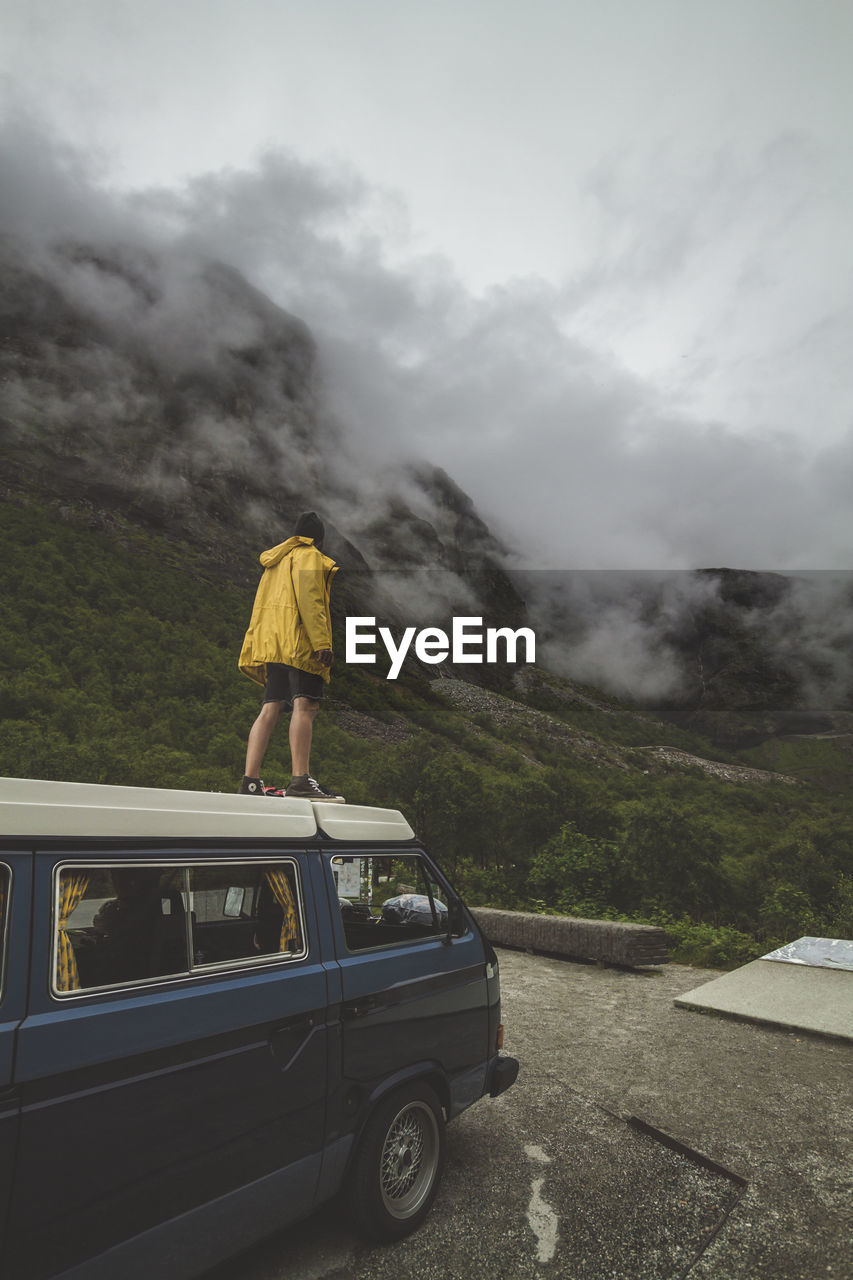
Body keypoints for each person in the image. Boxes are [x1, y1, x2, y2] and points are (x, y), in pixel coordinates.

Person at [237, 511, 345, 801]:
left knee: (271, 708)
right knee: (305, 706)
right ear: (318, 539)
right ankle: (300, 780)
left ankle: (250, 781)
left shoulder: (276, 561)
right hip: (299, 643)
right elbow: (310, 601)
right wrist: (322, 642)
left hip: (273, 645)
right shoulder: (308, 556)